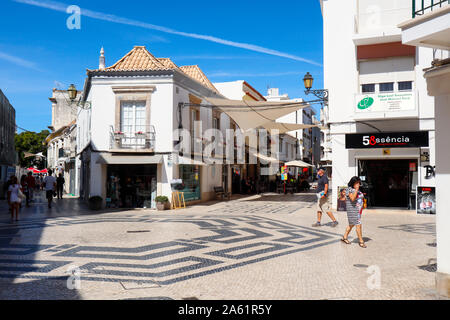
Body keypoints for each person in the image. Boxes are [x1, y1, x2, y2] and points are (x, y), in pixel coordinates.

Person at [341, 176, 367, 248]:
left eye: (359, 182)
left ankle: (344, 237)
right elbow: (352, 199)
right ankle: (361, 241)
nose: (358, 184)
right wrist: (356, 189)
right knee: (358, 224)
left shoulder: (357, 190)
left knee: (351, 224)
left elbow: (359, 197)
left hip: (358, 210)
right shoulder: (349, 190)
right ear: (353, 183)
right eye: (357, 182)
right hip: (353, 211)